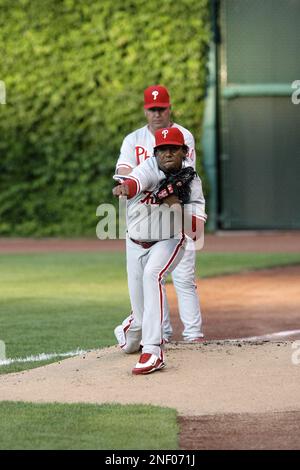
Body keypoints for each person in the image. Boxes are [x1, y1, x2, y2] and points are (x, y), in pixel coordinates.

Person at [113, 127, 207, 374]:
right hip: (135, 243)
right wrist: (126, 187)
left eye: (173, 149)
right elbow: (135, 182)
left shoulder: (192, 182)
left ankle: (153, 351)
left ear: (184, 152)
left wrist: (175, 204)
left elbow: (196, 231)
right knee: (140, 323)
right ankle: (130, 328)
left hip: (169, 241)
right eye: (162, 149)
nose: (167, 154)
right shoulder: (148, 167)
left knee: (152, 276)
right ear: (155, 153)